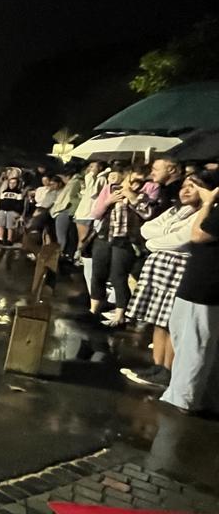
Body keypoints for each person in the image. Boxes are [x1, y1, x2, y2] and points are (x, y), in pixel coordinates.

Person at [121, 173, 207, 389]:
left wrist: (154, 242)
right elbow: (146, 228)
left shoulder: (203, 213)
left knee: (170, 323)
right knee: (158, 321)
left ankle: (168, 370)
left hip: (178, 268)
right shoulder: (176, 210)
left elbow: (182, 240)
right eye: (184, 186)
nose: (186, 191)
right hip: (160, 268)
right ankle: (157, 366)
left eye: (193, 187)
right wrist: (165, 231)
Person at [159, 171, 219, 415]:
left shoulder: (214, 210)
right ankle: (196, 395)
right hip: (198, 283)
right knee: (187, 338)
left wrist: (206, 204)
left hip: (206, 286)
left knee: (194, 343)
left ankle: (184, 398)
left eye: (198, 186)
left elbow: (197, 235)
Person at [88, 169, 152, 326]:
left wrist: (132, 197)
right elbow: (95, 213)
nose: (136, 184)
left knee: (118, 276)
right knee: (98, 273)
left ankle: (120, 314)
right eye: (133, 180)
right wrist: (108, 202)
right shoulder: (110, 190)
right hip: (104, 236)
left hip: (126, 241)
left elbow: (147, 214)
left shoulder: (142, 196)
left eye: (140, 181)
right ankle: (93, 309)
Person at [51, 169, 85, 259]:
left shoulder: (74, 182)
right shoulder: (78, 181)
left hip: (66, 210)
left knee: (62, 236)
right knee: (69, 236)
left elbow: (69, 197)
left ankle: (60, 256)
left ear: (67, 176)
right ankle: (66, 255)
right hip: (71, 212)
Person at [0, 175, 26, 246]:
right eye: (10, 183)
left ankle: (9, 239)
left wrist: (19, 213)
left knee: (10, 219)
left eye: (14, 183)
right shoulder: (4, 192)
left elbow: (20, 204)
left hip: (13, 211)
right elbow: (1, 202)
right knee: (1, 220)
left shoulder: (18, 193)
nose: (12, 185)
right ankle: (0, 239)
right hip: (3, 210)